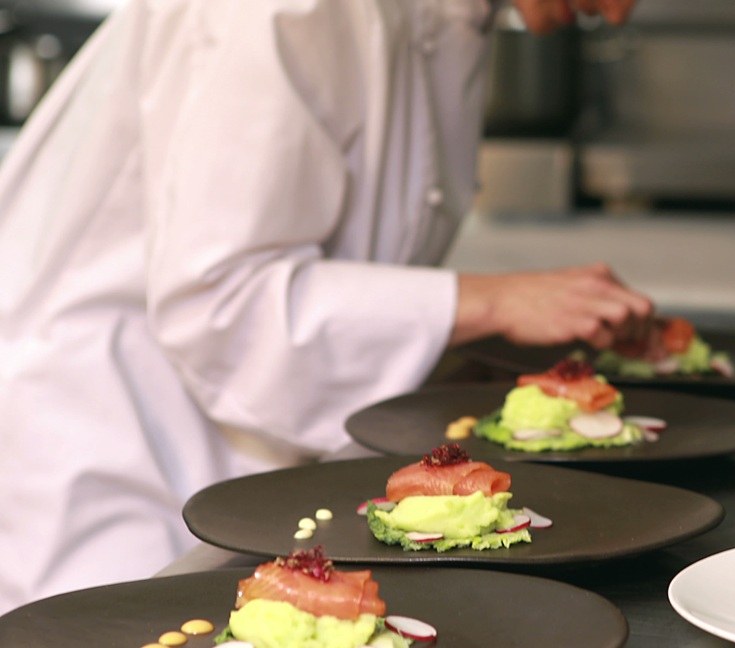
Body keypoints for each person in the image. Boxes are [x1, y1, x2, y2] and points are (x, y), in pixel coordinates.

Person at [0, 0, 641, 613]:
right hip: (114, 443)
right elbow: (222, 301)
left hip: (244, 459)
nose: (618, 13)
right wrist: (487, 301)